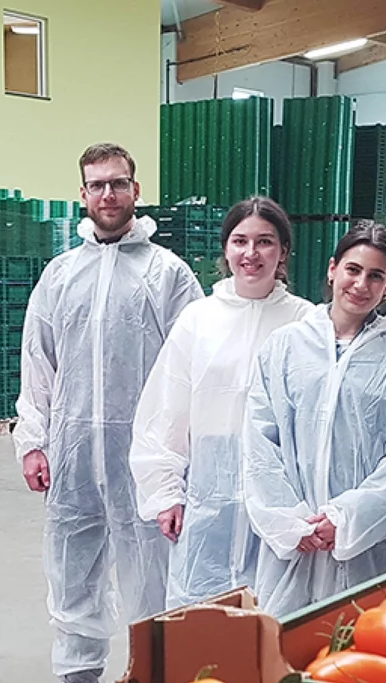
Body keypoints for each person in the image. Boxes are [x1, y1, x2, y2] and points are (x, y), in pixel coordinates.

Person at [14, 143, 204, 683]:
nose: (108, 195)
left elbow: (192, 371)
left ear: (135, 190)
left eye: (118, 183)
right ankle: (78, 674)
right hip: (72, 455)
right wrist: (33, 440)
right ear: (83, 194)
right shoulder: (60, 275)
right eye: (97, 185)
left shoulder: (168, 275)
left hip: (143, 458)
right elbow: (38, 361)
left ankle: (155, 672)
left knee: (152, 579)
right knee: (72, 574)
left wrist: (177, 461)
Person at [129, 196, 314, 610]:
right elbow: (167, 407)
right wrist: (165, 493)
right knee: (201, 614)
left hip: (281, 498)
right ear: (226, 249)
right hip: (208, 495)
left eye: (265, 241)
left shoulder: (306, 323)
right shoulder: (199, 319)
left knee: (275, 612)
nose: (251, 253)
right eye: (240, 241)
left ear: (283, 251)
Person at [243, 221, 386, 616]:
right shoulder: (286, 346)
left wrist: (347, 519)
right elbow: (260, 443)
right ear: (332, 270)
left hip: (368, 548)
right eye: (353, 270)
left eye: (375, 275)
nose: (361, 284)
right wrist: (291, 523)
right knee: (285, 642)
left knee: (365, 640)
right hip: (294, 545)